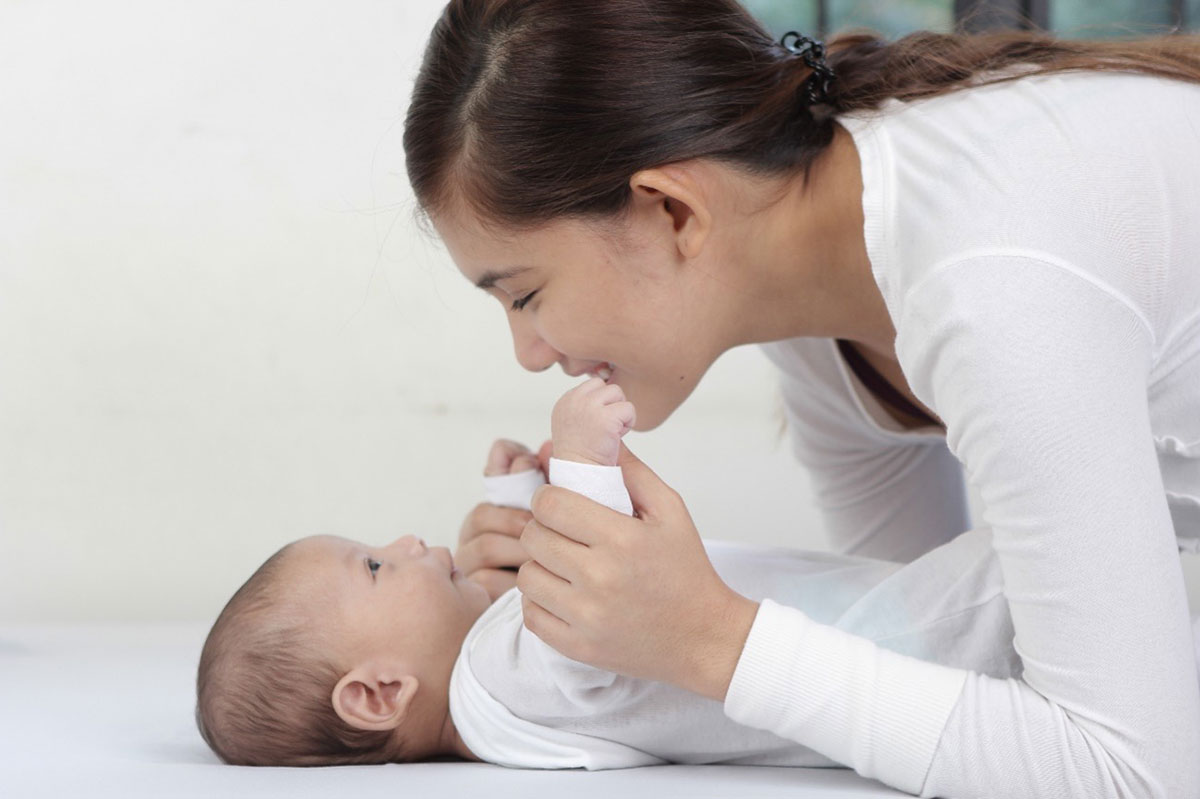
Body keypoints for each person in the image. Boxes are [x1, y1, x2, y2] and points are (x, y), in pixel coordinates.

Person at [404, 1, 1200, 796]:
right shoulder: (820, 308)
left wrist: (709, 638)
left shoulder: (990, 277)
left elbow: (1127, 771)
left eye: (525, 294)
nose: (528, 352)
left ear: (672, 211)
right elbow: (929, 635)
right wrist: (569, 619)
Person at [193, 378, 1021, 768]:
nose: (406, 540)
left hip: (886, 628)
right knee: (1023, 575)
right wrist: (585, 460)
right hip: (907, 644)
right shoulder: (502, 682)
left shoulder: (497, 685)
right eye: (373, 564)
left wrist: (516, 493)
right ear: (379, 693)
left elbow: (539, 604)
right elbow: (588, 629)